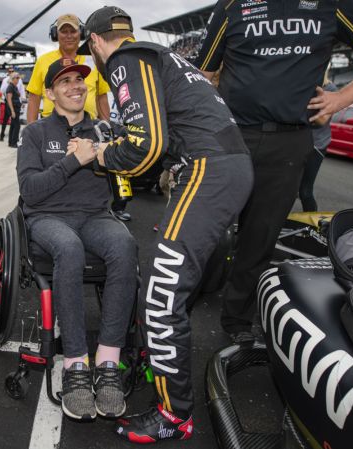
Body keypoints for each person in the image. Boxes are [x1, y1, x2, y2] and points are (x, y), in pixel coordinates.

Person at [76, 6, 253, 442]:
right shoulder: (163, 56)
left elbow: (146, 146)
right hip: (226, 167)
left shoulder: (124, 60)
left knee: (160, 297)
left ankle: (175, 416)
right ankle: (163, 376)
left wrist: (101, 157)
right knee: (169, 289)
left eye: (90, 48)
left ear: (96, 41)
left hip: (208, 171)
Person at [195, 0, 353, 336]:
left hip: (288, 142)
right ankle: (179, 305)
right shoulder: (231, 5)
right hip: (228, 137)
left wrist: (342, 98)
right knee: (200, 228)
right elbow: (202, 75)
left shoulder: (333, 4)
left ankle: (236, 322)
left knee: (258, 239)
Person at [16, 58, 138, 421]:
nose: (76, 86)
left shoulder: (105, 128)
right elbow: (30, 192)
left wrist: (107, 155)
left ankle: (108, 362)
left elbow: (139, 162)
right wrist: (73, 162)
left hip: (95, 216)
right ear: (50, 92)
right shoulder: (35, 133)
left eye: (79, 80)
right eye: (65, 81)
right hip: (47, 217)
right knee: (68, 249)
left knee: (124, 245)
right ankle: (74, 364)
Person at [26, 13, 110, 124]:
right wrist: (30, 132)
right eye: (64, 31)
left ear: (81, 33)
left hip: (88, 127)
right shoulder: (43, 61)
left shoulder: (95, 60)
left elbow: (101, 97)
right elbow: (34, 98)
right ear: (55, 34)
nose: (69, 36)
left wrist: (106, 128)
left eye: (73, 31)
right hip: (51, 128)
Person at [299, 69, 338, 212]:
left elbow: (321, 120)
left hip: (316, 145)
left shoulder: (330, 89)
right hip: (294, 142)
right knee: (285, 189)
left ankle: (314, 227)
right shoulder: (299, 84)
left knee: (305, 191)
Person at [0, 66, 24, 141]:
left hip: (15, 102)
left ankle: (12, 140)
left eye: (12, 71)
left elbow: (21, 90)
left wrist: (21, 98)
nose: (11, 72)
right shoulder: (5, 80)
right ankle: (2, 135)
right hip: (7, 102)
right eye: (9, 71)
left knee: (14, 123)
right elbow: (2, 91)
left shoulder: (18, 80)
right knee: (5, 120)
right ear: (8, 72)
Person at [5, 72, 22, 148]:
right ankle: (14, 142)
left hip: (16, 108)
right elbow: (9, 99)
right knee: (16, 125)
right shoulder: (10, 87)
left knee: (13, 125)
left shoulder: (14, 87)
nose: (18, 80)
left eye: (18, 78)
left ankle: (11, 142)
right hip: (13, 109)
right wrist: (12, 111)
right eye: (17, 78)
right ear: (13, 78)